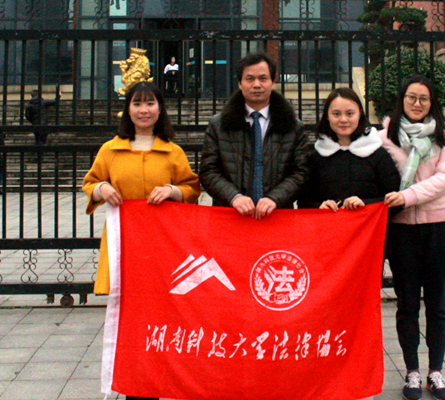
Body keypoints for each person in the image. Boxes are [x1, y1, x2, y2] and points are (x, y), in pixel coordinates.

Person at [83, 82, 200, 400]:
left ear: (160, 109)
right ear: (128, 109)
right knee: (130, 321)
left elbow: (191, 188)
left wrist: (173, 191)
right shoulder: (111, 150)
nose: (144, 110)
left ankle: (156, 381)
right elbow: (91, 182)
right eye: (137, 103)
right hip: (125, 248)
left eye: (150, 104)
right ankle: (134, 385)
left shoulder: (172, 151)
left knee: (160, 320)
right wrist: (101, 189)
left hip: (163, 250)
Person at [380, 75, 445, 400]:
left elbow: (444, 178)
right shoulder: (385, 136)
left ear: (432, 103)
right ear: (402, 100)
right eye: (411, 97)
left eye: (423, 98)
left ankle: (435, 371)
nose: (417, 103)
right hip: (402, 230)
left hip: (440, 226)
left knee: (438, 304)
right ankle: (412, 372)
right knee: (407, 304)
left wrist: (407, 196)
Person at [199, 51, 309, 219]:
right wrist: (234, 197)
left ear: (272, 82)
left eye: (263, 78)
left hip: (277, 216)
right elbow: (208, 172)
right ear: (240, 83)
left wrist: (275, 198)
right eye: (250, 79)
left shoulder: (293, 126)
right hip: (230, 216)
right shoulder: (218, 125)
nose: (257, 85)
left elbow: (301, 172)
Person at [299, 87, 400, 212]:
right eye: (336, 114)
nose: (343, 120)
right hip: (328, 224)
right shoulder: (316, 158)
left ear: (360, 114)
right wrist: (319, 207)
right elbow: (303, 202)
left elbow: (396, 200)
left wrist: (365, 204)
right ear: (327, 116)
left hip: (368, 224)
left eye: (349, 113)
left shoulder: (378, 155)